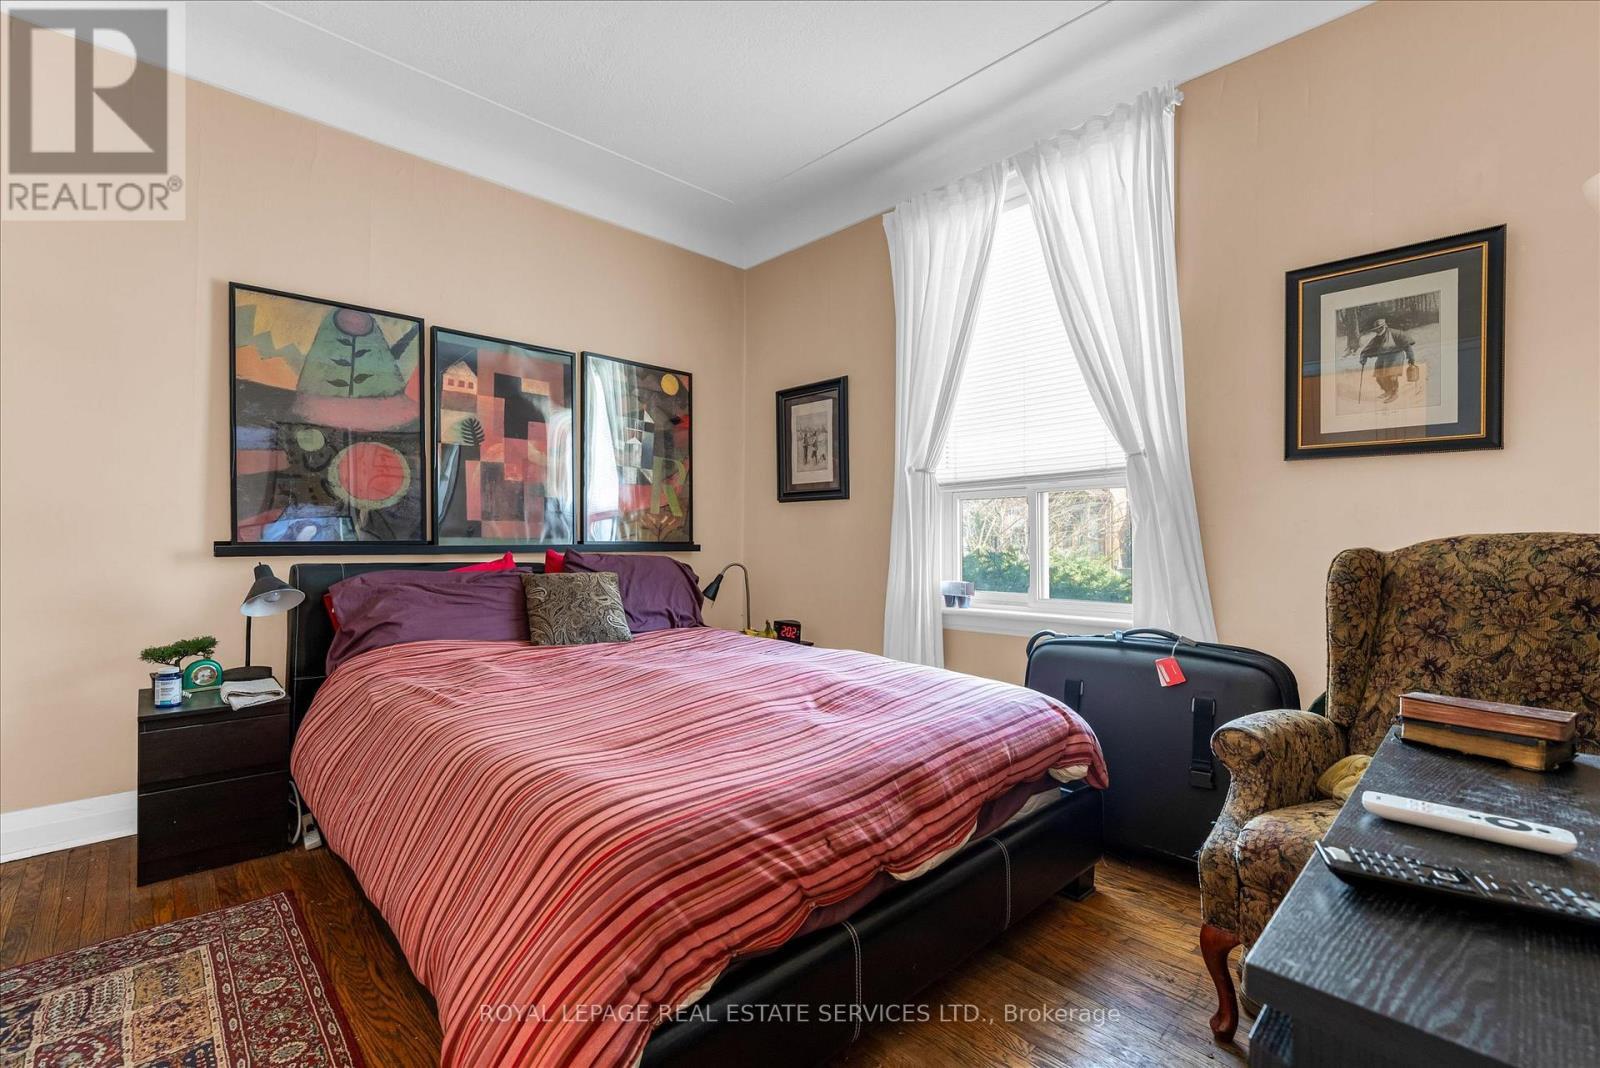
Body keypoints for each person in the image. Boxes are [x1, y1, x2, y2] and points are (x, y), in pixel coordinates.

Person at [1359, 317, 1416, 403]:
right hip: (1383, 356)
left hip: (1395, 355)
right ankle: (1387, 391)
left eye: (1379, 328)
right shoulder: (1377, 338)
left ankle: (1394, 393)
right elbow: (1368, 349)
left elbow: (1407, 345)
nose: (1378, 331)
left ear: (1384, 326)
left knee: (1392, 376)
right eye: (1376, 329)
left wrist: (1411, 357)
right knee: (1379, 376)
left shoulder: (1395, 333)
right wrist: (1363, 357)